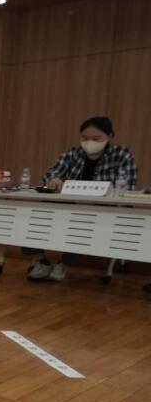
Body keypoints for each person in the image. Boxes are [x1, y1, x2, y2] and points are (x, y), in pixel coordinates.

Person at [27, 116, 139, 281]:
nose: (89, 142)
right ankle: (41, 261)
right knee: (35, 213)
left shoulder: (121, 155)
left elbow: (128, 186)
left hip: (103, 208)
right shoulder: (73, 153)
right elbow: (51, 173)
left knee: (82, 219)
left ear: (110, 136)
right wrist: (54, 179)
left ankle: (63, 264)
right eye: (85, 138)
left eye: (96, 138)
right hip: (69, 204)